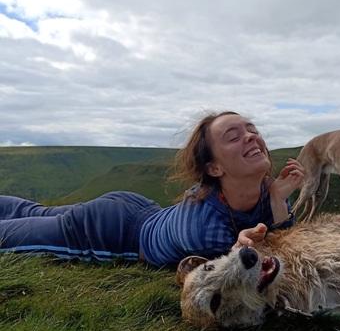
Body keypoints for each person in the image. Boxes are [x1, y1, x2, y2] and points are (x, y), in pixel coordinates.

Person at [0, 111, 305, 267]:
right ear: (214, 168)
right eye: (233, 136)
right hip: (108, 233)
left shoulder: (268, 192)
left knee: (33, 212)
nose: (251, 136)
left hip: (137, 208)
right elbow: (256, 264)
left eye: (251, 129)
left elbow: (279, 237)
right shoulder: (202, 226)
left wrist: (278, 197)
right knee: (9, 236)